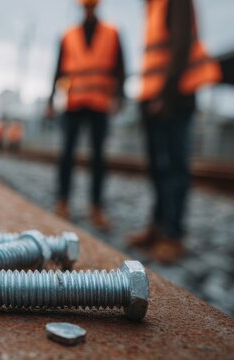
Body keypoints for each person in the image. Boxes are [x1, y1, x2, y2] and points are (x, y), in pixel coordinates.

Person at [127, 0, 221, 263]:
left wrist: (165, 94)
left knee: (174, 167)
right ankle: (157, 227)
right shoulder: (152, 6)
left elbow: (181, 45)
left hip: (173, 98)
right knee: (158, 167)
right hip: (154, 98)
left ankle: (173, 234)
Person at [46, 0, 125, 231]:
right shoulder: (68, 35)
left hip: (100, 103)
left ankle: (96, 207)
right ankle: (63, 201)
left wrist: (119, 96)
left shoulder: (112, 33)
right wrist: (52, 99)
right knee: (67, 153)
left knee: (98, 156)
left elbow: (120, 68)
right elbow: (58, 69)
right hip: (74, 102)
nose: (89, 8)